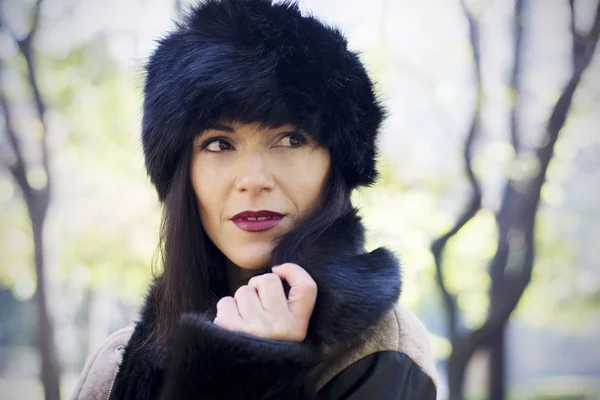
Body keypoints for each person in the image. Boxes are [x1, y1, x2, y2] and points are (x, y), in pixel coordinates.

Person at [72, 0, 438, 398]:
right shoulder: (117, 363)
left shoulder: (379, 349)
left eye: (290, 139)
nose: (253, 180)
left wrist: (256, 372)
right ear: (183, 174)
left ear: (335, 167)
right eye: (219, 143)